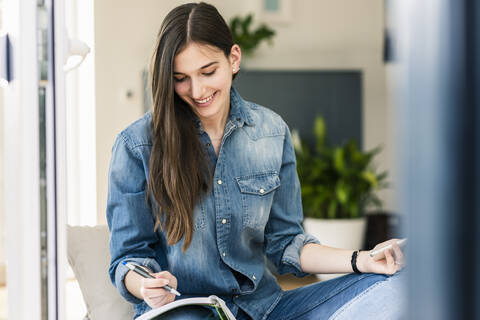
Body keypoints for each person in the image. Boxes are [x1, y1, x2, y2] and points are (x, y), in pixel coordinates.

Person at [106, 2, 406, 319]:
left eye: (208, 72)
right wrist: (145, 285)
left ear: (233, 58)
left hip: (263, 309)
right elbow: (127, 257)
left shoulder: (271, 132)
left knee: (396, 282)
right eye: (181, 78)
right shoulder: (136, 144)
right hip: (183, 311)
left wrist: (364, 258)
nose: (197, 90)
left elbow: (287, 243)